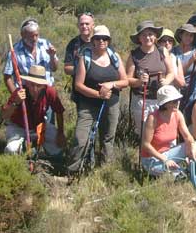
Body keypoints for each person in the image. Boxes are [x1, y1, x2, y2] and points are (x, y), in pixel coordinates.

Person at [69, 25, 128, 169]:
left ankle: (105, 169)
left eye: (105, 38)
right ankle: (75, 169)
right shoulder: (85, 57)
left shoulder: (114, 56)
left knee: (108, 137)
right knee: (81, 138)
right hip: (88, 104)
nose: (102, 41)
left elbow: (125, 81)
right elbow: (78, 85)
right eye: (98, 38)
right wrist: (97, 94)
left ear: (109, 40)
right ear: (93, 40)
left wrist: (111, 84)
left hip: (111, 103)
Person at [2, 65, 66, 156]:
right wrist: (16, 102)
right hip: (18, 127)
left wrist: (60, 132)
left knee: (58, 147)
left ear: (44, 85)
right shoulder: (19, 92)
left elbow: (59, 112)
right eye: (32, 84)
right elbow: (5, 115)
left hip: (39, 126)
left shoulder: (50, 92)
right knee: (11, 150)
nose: (35, 89)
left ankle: (39, 149)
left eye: (38, 85)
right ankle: (23, 150)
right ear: (27, 83)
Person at [126, 20, 174, 136]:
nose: (148, 37)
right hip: (142, 101)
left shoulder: (162, 51)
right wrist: (139, 81)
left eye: (150, 34)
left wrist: (166, 81)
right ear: (139, 38)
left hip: (162, 99)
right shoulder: (134, 55)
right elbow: (128, 79)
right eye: (144, 35)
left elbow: (171, 72)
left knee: (162, 132)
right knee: (145, 134)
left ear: (155, 36)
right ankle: (146, 154)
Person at [141, 85, 196, 177]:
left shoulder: (178, 114)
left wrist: (192, 145)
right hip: (152, 158)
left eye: (178, 100)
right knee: (174, 173)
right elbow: (146, 145)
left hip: (169, 152)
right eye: (174, 101)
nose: (177, 103)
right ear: (165, 103)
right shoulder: (153, 118)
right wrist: (164, 159)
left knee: (195, 145)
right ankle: (182, 172)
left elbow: (187, 136)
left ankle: (192, 167)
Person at [4, 17, 58, 93]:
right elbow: (7, 77)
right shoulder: (15, 51)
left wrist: (52, 57)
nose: (34, 39)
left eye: (36, 35)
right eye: (31, 36)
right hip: (27, 94)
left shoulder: (45, 44)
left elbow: (54, 69)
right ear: (23, 35)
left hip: (46, 91)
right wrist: (16, 96)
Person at [64, 12, 95, 101]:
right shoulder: (73, 44)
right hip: (80, 93)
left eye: (87, 24)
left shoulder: (101, 41)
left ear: (93, 25)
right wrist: (84, 70)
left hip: (99, 89)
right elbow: (67, 68)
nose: (84, 26)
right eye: (81, 24)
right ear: (78, 26)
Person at [173, 24, 196, 108]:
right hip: (177, 89)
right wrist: (191, 61)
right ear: (181, 35)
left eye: (191, 35)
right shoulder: (174, 52)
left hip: (194, 90)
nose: (189, 38)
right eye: (186, 35)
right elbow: (176, 74)